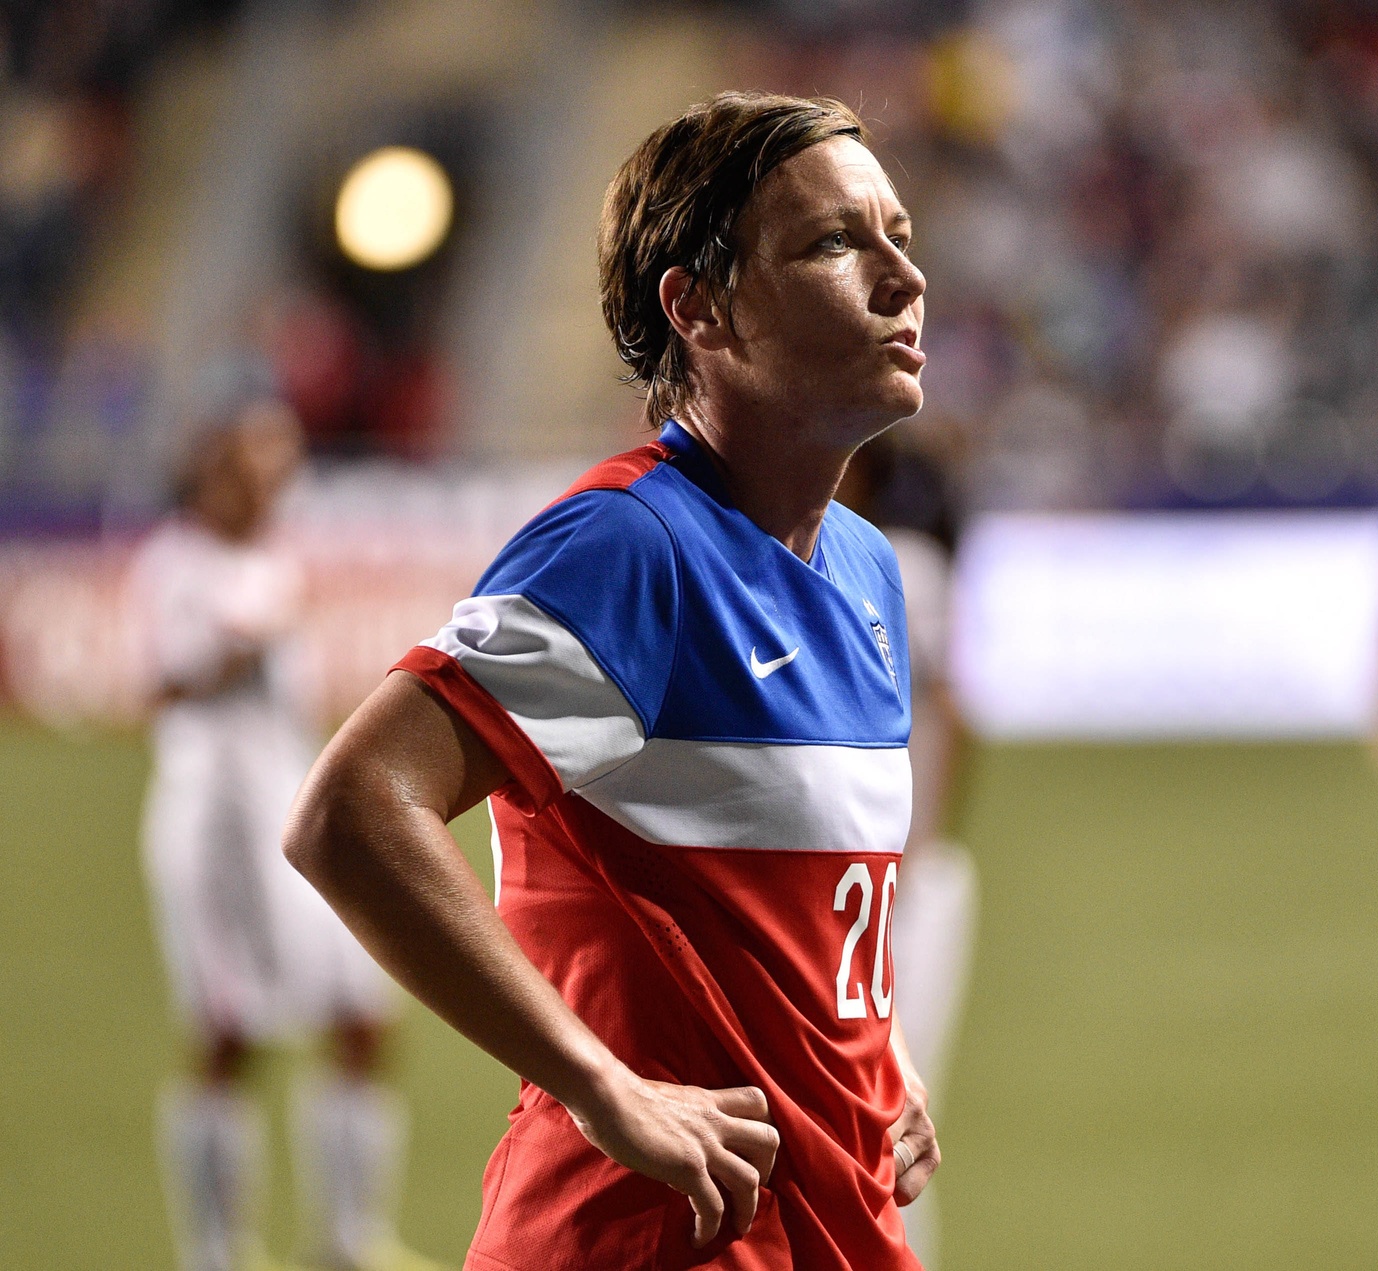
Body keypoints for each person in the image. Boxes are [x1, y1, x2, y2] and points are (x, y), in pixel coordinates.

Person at [283, 92, 938, 1271]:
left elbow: (785, 915)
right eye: (834, 242)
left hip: (832, 1229)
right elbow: (352, 810)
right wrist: (599, 1085)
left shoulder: (865, 567)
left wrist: (870, 1061)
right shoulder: (632, 546)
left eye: (898, 233)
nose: (903, 276)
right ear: (697, 307)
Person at [130, 398, 434, 1271]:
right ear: (214, 469)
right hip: (217, 827)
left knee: (362, 1013)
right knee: (231, 1032)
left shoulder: (269, 559)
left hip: (297, 817)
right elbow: (162, 689)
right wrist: (233, 647)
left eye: (282, 461)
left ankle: (347, 1236)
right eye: (258, 460)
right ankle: (216, 1251)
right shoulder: (177, 563)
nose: (274, 478)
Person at [836, 434, 978, 1270]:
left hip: (896, 879)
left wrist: (915, 853)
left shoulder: (901, 566)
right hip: (848, 874)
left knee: (890, 1112)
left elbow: (948, 710)